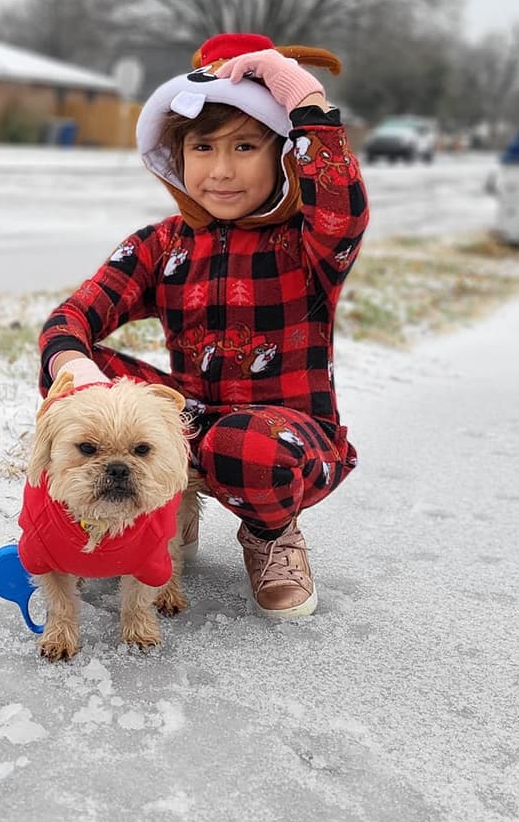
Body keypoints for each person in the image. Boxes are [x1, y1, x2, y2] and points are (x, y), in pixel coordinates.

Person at [38, 31, 369, 617]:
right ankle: (160, 501)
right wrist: (75, 367)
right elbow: (73, 317)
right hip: (193, 417)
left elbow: (342, 213)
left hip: (285, 436)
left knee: (245, 446)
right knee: (76, 386)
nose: (221, 170)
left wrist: (306, 102)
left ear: (283, 156)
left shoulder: (306, 243)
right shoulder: (163, 243)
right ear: (178, 155)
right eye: (203, 148)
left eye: (244, 147)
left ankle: (271, 537)